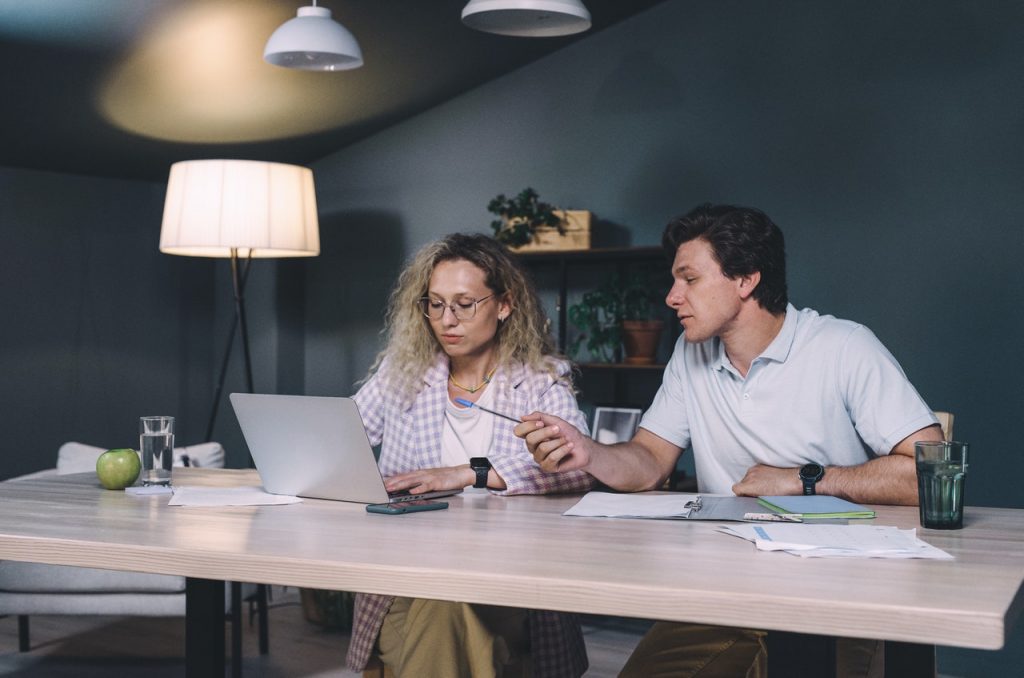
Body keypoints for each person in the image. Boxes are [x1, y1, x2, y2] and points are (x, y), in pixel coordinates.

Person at [515, 204, 944, 677]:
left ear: (745, 280)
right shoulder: (690, 352)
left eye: (689, 279)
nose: (672, 297)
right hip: (724, 589)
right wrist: (588, 451)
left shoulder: (845, 346)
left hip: (836, 591)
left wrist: (804, 480)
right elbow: (650, 461)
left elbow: (930, 474)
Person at [346, 232, 594, 678]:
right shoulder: (402, 373)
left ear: (503, 305)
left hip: (504, 574)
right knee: (441, 609)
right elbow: (345, 441)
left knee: (445, 614)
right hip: (407, 571)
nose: (447, 320)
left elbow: (579, 472)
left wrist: (467, 473)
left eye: (464, 303)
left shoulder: (540, 380)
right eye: (435, 304)